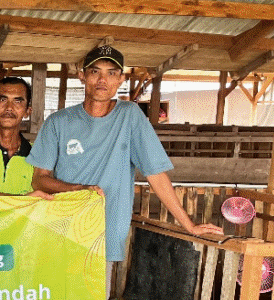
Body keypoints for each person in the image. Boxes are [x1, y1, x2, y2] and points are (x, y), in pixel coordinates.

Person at [27, 45, 222, 274]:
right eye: (95, 71)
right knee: (54, 294)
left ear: (121, 79)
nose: (103, 80)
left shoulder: (130, 115)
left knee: (97, 296)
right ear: (82, 76)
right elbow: (39, 180)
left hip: (105, 234)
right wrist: (78, 189)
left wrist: (189, 225)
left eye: (111, 73)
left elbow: (156, 174)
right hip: (61, 230)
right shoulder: (58, 122)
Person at [0, 77, 39, 196]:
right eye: (3, 99)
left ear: (27, 112)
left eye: (18, 101)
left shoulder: (38, 156)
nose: (9, 108)